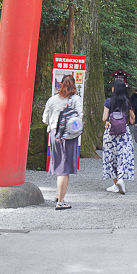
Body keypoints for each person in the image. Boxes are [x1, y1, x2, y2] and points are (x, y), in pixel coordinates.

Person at [43, 74, 82, 210]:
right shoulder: (76, 99)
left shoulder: (52, 99)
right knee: (64, 170)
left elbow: (45, 119)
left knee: (60, 166)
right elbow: (80, 117)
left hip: (55, 134)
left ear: (61, 84)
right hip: (69, 136)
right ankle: (60, 201)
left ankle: (58, 194)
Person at [102, 80, 136, 194]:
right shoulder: (127, 102)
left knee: (111, 158)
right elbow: (133, 119)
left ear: (114, 89)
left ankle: (116, 183)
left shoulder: (108, 101)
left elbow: (104, 117)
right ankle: (121, 179)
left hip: (110, 133)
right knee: (122, 157)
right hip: (124, 133)